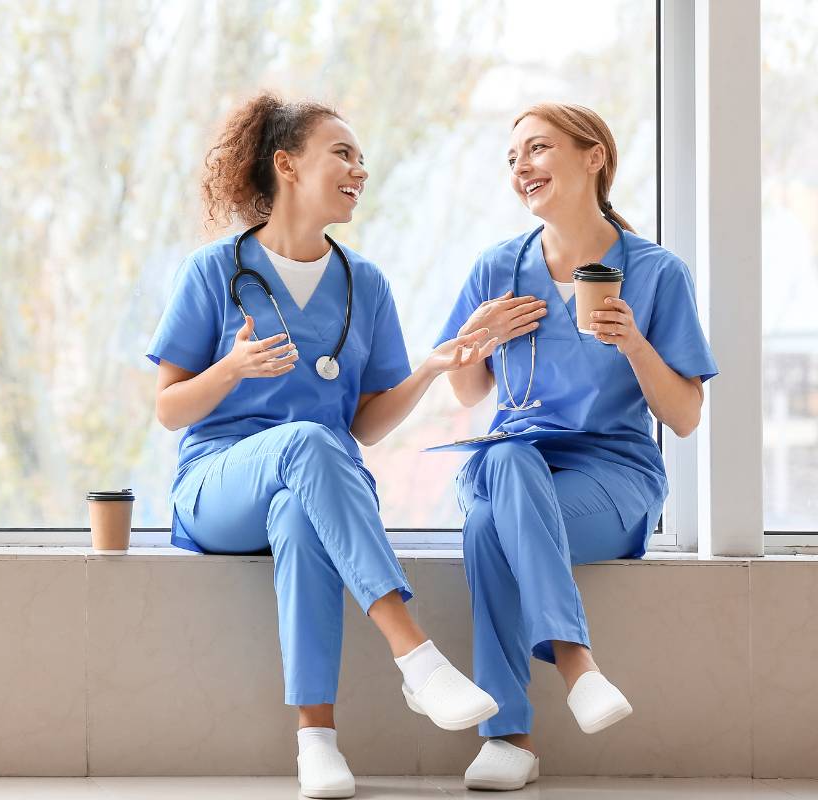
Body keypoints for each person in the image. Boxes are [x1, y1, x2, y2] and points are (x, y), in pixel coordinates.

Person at [147, 93, 500, 799]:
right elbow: (167, 409)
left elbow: (364, 426)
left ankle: (317, 743)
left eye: (362, 159)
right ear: (286, 165)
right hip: (218, 485)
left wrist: (431, 369)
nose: (359, 170)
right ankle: (415, 654)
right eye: (342, 153)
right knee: (307, 440)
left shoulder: (364, 285)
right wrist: (232, 369)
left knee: (304, 514)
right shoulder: (214, 272)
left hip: (313, 486)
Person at [435, 102, 719, 791]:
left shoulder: (656, 274)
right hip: (510, 465)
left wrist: (635, 344)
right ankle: (577, 665)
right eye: (511, 159)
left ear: (594, 156)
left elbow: (684, 416)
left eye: (536, 149)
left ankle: (508, 737)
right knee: (503, 458)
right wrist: (481, 337)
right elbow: (467, 393)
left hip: (611, 479)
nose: (521, 168)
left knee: (485, 529)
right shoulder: (497, 268)